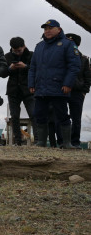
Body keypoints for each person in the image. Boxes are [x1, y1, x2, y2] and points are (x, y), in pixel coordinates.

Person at [28, 19, 81, 148]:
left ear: (59, 29)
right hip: (41, 88)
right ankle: (41, 142)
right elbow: (32, 67)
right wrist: (31, 84)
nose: (47, 31)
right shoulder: (39, 46)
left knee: (62, 115)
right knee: (39, 115)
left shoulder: (68, 44)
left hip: (59, 87)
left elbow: (74, 66)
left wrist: (68, 83)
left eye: (50, 28)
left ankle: (67, 143)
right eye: (45, 29)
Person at [5, 37, 36, 145]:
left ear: (24, 46)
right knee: (14, 116)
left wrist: (25, 66)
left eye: (19, 50)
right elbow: (3, 73)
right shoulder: (7, 56)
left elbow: (37, 69)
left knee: (33, 114)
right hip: (13, 90)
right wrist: (10, 68)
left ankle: (38, 140)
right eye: (15, 51)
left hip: (28, 90)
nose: (17, 53)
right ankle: (17, 140)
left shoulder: (32, 55)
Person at [64, 33, 91, 148]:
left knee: (76, 118)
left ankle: (75, 142)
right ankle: (63, 142)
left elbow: (88, 77)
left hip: (77, 92)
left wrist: (84, 91)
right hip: (62, 90)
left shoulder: (84, 59)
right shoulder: (61, 57)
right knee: (61, 116)